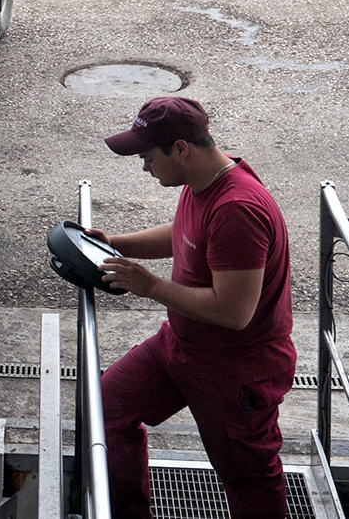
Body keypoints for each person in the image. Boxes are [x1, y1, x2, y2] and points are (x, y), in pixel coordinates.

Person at [87, 97, 296, 519]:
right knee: (105, 409)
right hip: (181, 347)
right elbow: (185, 232)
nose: (144, 167)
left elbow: (233, 311)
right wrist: (117, 243)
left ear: (180, 148)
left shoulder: (237, 208)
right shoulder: (203, 182)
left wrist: (150, 286)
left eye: (147, 157)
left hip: (235, 370)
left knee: (248, 477)